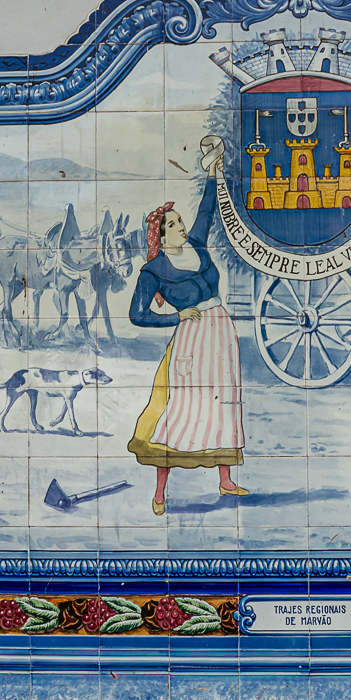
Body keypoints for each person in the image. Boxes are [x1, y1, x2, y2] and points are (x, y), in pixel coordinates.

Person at [127, 181, 245, 514]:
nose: (182, 228)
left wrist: (213, 172)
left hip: (221, 336)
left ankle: (226, 480)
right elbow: (137, 314)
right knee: (180, 412)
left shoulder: (198, 245)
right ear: (161, 238)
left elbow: (207, 209)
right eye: (174, 225)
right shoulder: (154, 271)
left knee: (224, 406)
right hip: (192, 341)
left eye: (180, 222)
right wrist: (175, 316)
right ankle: (160, 492)